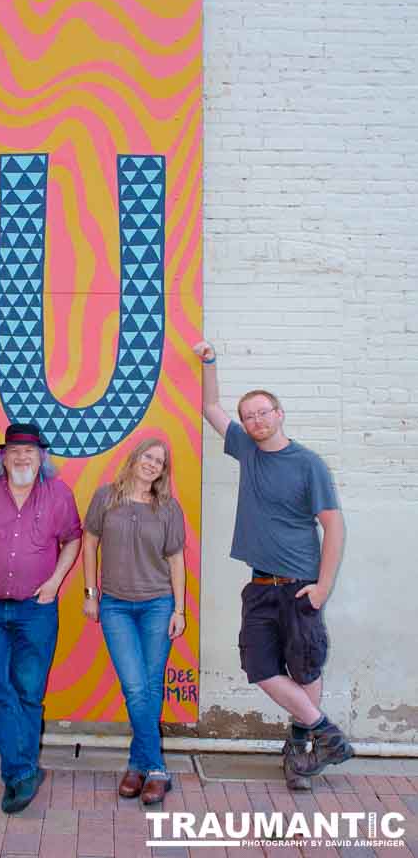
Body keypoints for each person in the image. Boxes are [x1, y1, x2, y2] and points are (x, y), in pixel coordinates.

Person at [193, 339, 354, 789]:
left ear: (280, 414)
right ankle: (328, 735)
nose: (256, 421)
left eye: (264, 412)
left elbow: (334, 529)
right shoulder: (245, 449)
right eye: (249, 416)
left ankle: (303, 751)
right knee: (261, 668)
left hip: (301, 584)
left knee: (305, 669)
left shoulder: (309, 464)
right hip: (260, 583)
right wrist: (210, 362)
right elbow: (210, 406)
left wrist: (322, 587)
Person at [0, 422, 81, 814]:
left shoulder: (59, 495)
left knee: (28, 692)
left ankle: (21, 771)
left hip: (36, 610)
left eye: (29, 451)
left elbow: (73, 538)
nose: (22, 456)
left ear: (42, 457)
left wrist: (55, 583)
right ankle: (22, 771)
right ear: (3, 457)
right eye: (14, 451)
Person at [82, 437, 186, 805]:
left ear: (163, 470)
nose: (153, 464)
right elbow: (89, 543)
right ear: (135, 458)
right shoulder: (105, 497)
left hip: (158, 604)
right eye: (149, 456)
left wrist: (179, 610)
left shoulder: (168, 508)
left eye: (160, 461)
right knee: (136, 687)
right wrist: (90, 594)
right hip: (115, 606)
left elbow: (176, 560)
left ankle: (137, 766)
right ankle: (156, 767)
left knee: (151, 687)